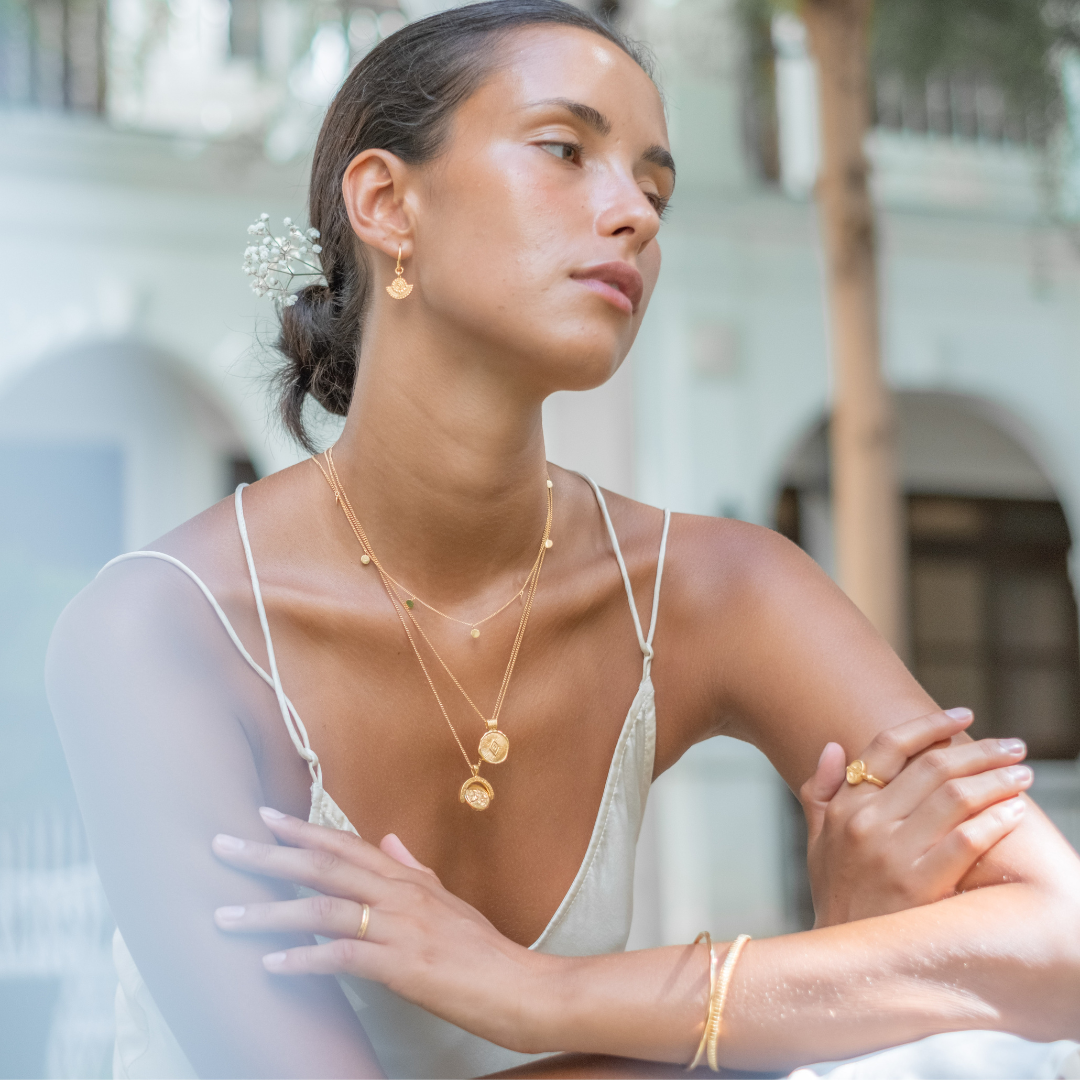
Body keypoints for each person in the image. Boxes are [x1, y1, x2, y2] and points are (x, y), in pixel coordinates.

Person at [46, 2, 1080, 1077]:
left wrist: (544, 993)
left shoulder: (714, 588)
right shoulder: (160, 631)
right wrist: (814, 993)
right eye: (564, 150)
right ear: (388, 202)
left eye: (656, 186)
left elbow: (1058, 945)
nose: (633, 211)